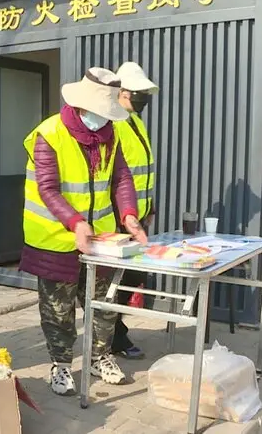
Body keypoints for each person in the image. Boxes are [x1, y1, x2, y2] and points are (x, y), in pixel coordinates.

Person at [19, 67, 149, 396]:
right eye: (99, 113)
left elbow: (121, 178)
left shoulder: (111, 134)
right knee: (58, 310)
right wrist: (76, 222)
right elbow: (48, 189)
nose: (102, 120)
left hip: (100, 240)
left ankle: (99, 357)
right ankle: (61, 364)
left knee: (104, 304)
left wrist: (129, 215)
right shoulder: (49, 134)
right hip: (53, 239)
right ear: (81, 106)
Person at [109, 61, 160, 359]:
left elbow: (144, 171)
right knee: (114, 280)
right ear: (122, 92)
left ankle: (115, 332)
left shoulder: (135, 122)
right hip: (118, 219)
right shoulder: (112, 123)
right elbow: (114, 177)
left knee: (131, 276)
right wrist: (123, 215)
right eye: (139, 93)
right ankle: (113, 337)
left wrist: (149, 207)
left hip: (137, 217)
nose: (143, 98)